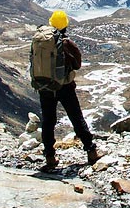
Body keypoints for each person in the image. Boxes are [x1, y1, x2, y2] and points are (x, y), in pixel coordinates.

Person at [38, 10, 103, 170]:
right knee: (76, 117)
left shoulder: (40, 41)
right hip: (65, 87)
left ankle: (50, 156)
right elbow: (77, 64)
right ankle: (91, 151)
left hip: (45, 87)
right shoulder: (67, 43)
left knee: (48, 121)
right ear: (65, 25)